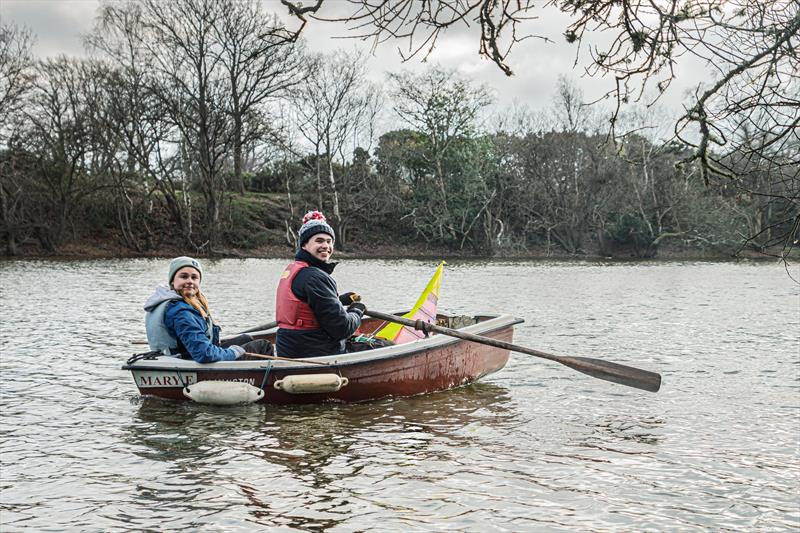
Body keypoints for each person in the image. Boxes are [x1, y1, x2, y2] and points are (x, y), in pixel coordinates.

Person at [144, 256, 272, 363]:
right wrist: (233, 352)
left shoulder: (166, 302)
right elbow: (204, 353)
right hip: (188, 361)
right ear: (172, 281)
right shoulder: (179, 311)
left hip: (181, 355)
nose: (190, 281)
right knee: (263, 345)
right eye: (184, 276)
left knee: (246, 338)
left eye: (194, 277)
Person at [275, 211, 366, 358]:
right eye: (319, 241)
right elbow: (342, 328)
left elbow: (309, 305)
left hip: (289, 349)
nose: (326, 246)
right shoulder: (315, 277)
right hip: (317, 354)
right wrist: (357, 310)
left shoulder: (296, 270)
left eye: (329, 241)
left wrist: (340, 300)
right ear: (304, 245)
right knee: (383, 345)